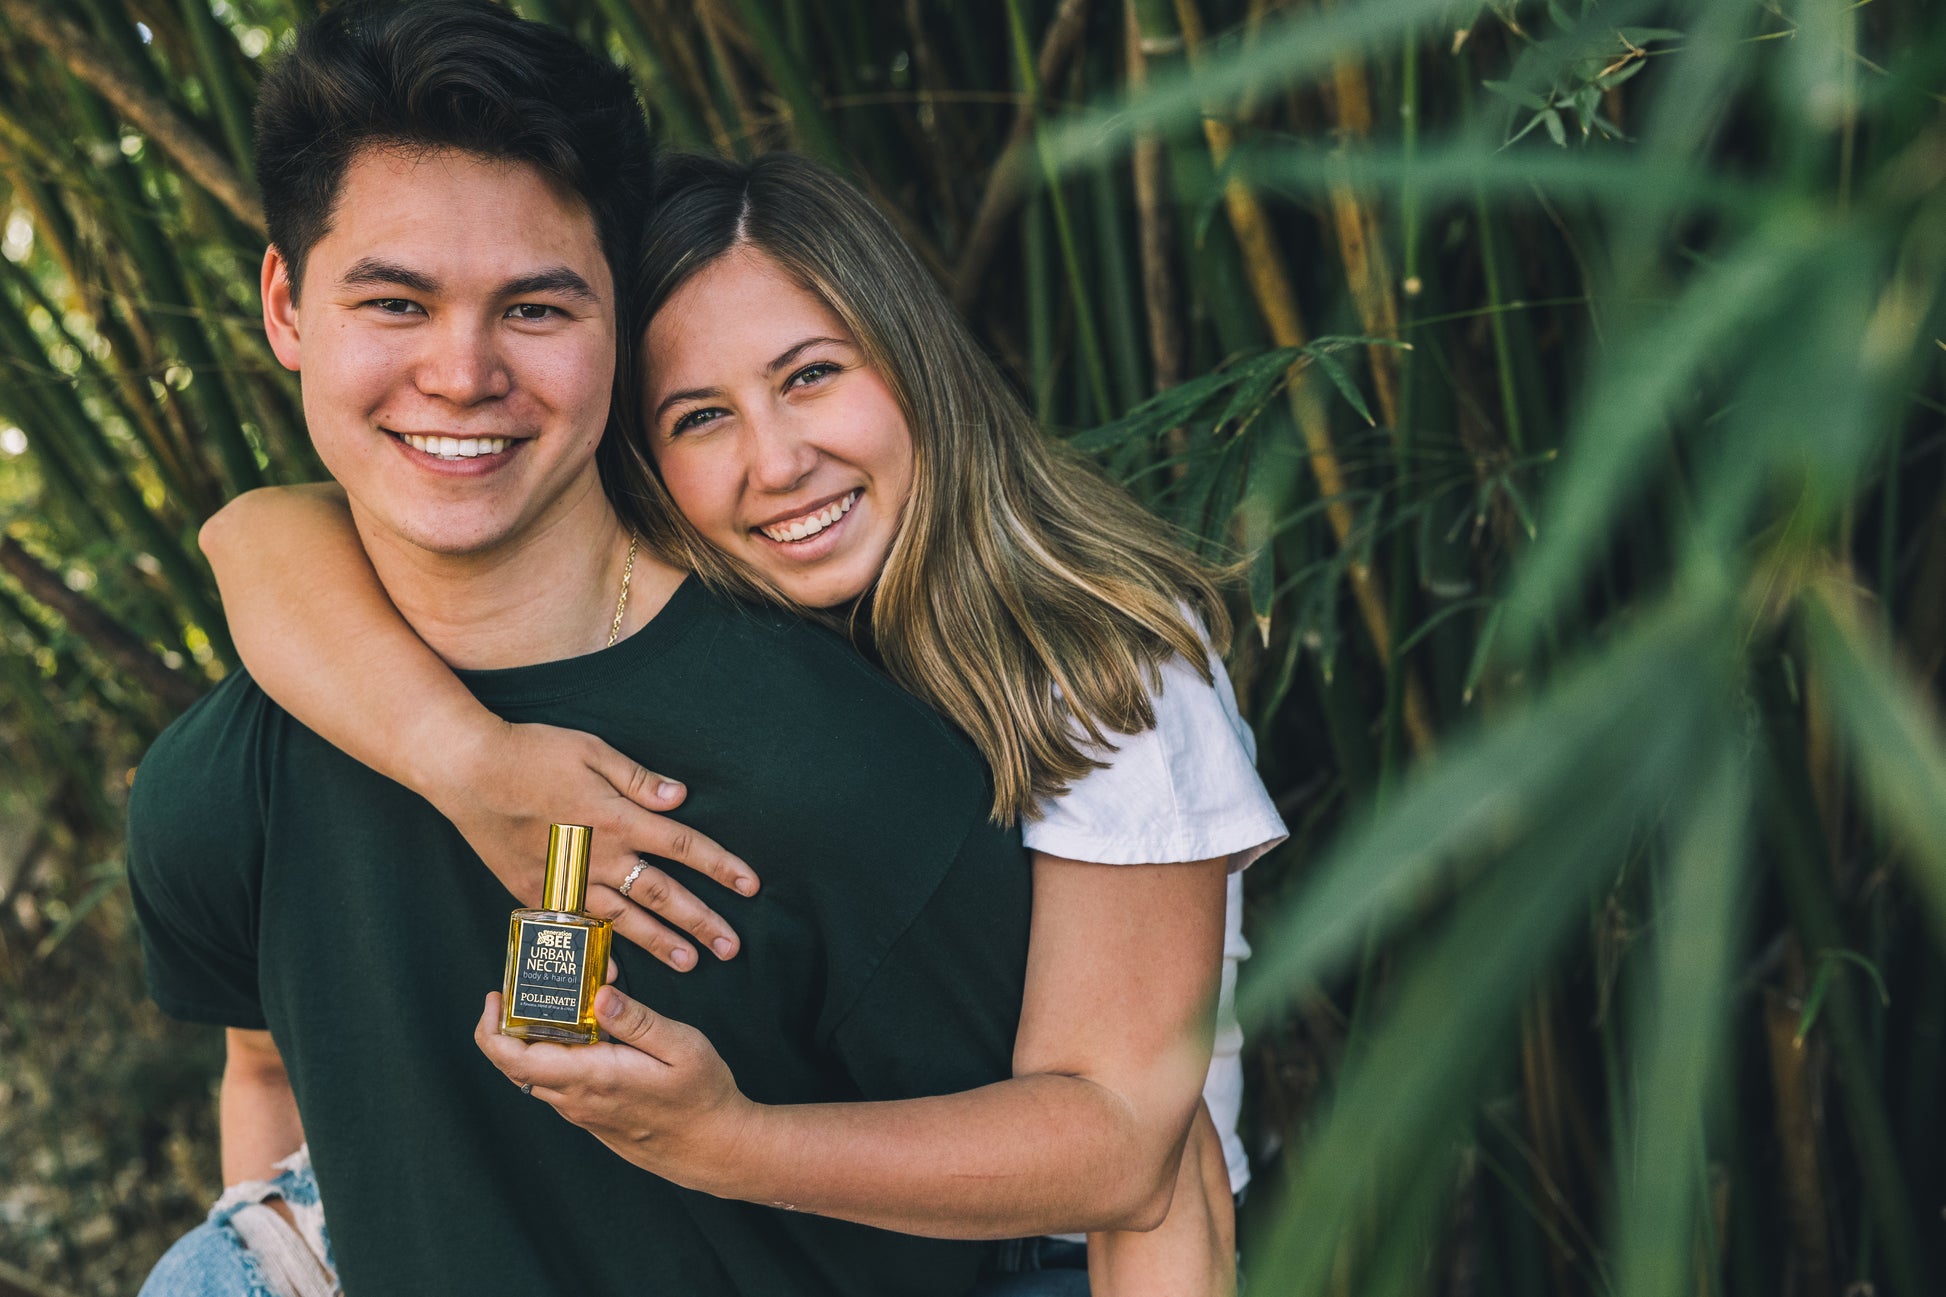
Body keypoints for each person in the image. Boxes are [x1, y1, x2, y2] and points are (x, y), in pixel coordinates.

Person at [197, 148, 1286, 1294]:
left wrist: (726, 1140)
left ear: (913, 360)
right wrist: (473, 766)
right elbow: (257, 536)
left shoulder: (1097, 657)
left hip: (1067, 1251)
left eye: (811, 375)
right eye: (699, 415)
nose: (777, 463)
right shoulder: (676, 595)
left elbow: (1121, 1148)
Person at [130, 5, 1039, 1295]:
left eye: (536, 308)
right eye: (394, 300)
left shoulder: (858, 768)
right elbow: (267, 1073)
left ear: (620, 316)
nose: (460, 372)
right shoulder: (216, 789)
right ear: (286, 307)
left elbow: (1077, 1188)